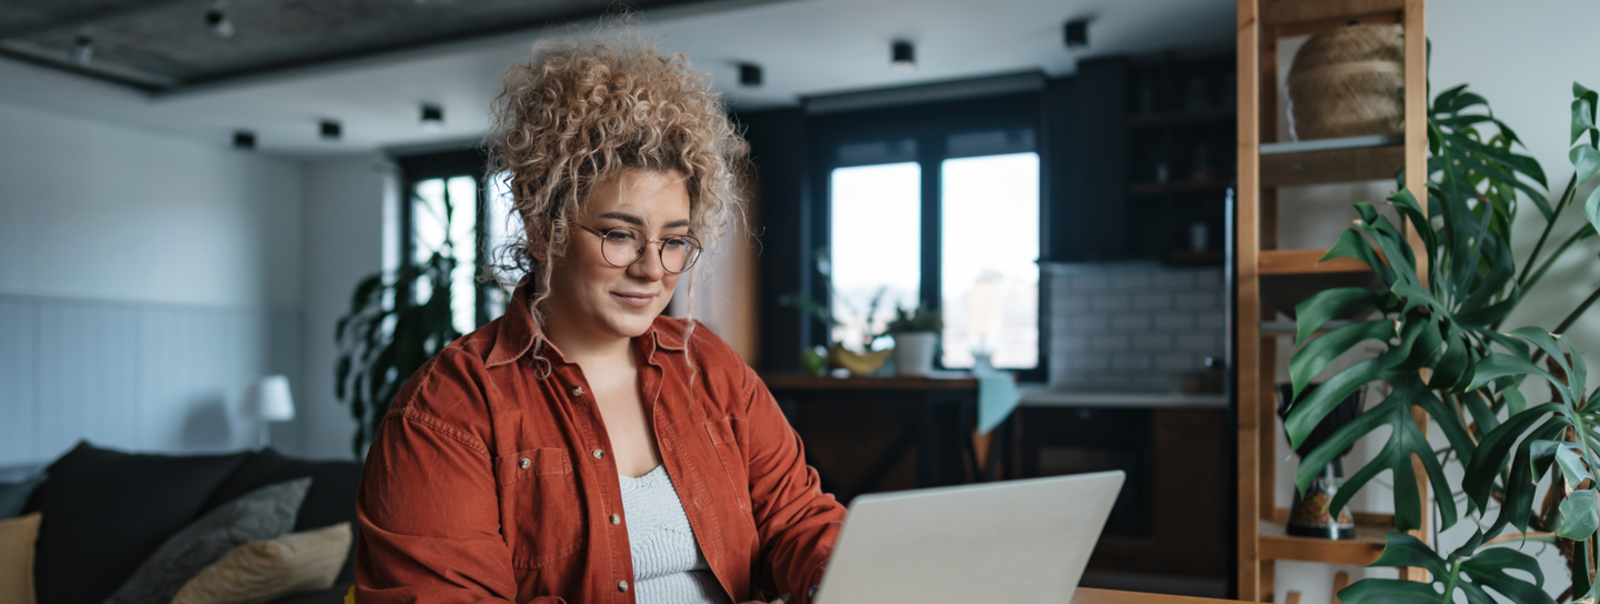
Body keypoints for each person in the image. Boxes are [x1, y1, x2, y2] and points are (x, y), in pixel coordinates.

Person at [353, 27, 845, 604]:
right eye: (619, 235)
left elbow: (796, 518)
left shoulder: (708, 366)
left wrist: (838, 572)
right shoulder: (447, 413)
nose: (652, 270)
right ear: (542, 227)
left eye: (674, 241)